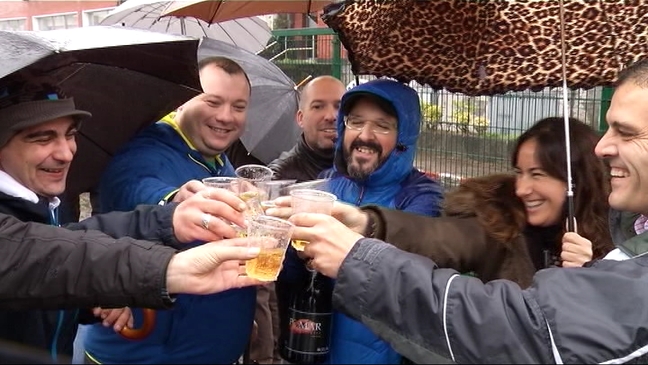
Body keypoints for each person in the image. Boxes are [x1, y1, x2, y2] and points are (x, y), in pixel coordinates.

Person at [273, 60, 648, 363]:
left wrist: (592, 270)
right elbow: (439, 237)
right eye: (519, 171)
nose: (522, 188)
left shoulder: (617, 247)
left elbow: (531, 327)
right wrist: (368, 223)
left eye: (539, 175)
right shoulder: (500, 220)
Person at [0, 80, 242, 363]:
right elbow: (40, 257)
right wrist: (168, 270)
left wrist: (171, 220)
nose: (66, 153)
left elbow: (68, 245)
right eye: (43, 138)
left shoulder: (48, 201)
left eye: (70, 134)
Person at [88, 56, 255, 364]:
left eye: (239, 106)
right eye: (213, 102)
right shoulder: (147, 147)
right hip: (147, 354)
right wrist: (174, 199)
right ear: (182, 103)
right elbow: (133, 186)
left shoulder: (216, 158)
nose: (226, 116)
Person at [277, 79, 444, 365]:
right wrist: (288, 244)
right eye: (355, 122)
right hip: (310, 348)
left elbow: (406, 278)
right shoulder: (326, 186)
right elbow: (292, 281)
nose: (365, 136)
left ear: (404, 138)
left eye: (382, 126)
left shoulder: (422, 198)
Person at [268, 75, 346, 182]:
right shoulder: (279, 177)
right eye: (318, 107)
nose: (331, 116)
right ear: (301, 118)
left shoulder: (365, 167)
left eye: (339, 107)